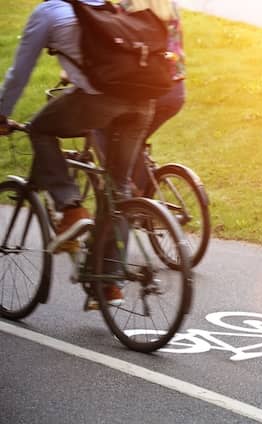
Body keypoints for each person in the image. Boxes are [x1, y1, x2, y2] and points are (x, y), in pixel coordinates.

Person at [0, 0, 154, 305]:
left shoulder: (47, 12)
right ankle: (107, 283)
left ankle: (71, 209)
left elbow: (20, 72)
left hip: (100, 101)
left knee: (40, 128)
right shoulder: (107, 6)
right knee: (118, 188)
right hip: (142, 102)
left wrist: (2, 113)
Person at [120, 0, 186, 195]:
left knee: (117, 136)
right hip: (175, 91)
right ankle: (143, 198)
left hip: (149, 91)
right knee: (135, 139)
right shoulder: (170, 5)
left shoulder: (128, 6)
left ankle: (137, 200)